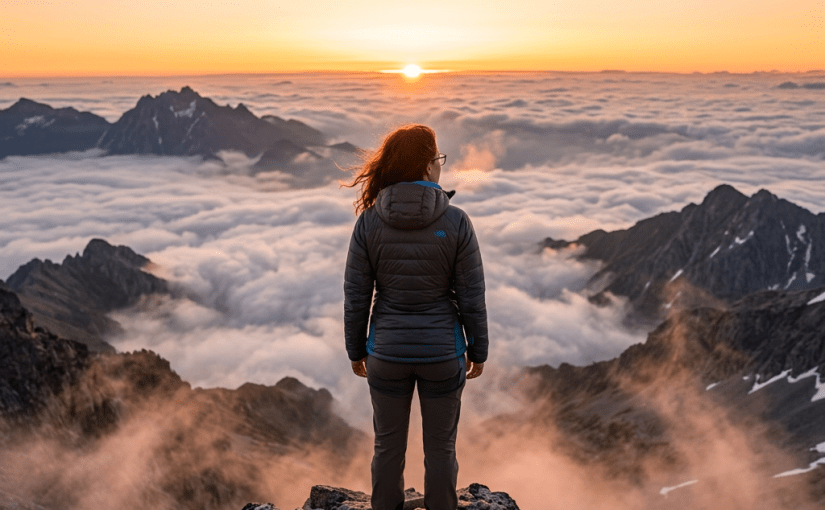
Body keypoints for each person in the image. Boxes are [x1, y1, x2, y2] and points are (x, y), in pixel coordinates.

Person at [343, 124, 488, 510]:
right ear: (427, 166)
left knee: (386, 446)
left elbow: (357, 297)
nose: (440, 166)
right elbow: (472, 297)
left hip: (386, 355)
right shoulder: (457, 222)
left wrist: (356, 351)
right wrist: (479, 349)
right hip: (442, 354)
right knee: (441, 448)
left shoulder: (369, 222)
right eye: (438, 159)